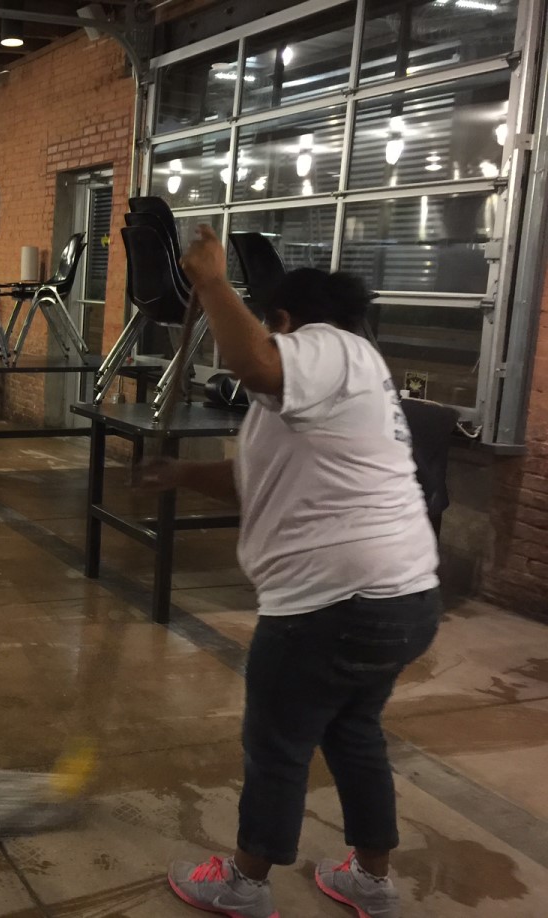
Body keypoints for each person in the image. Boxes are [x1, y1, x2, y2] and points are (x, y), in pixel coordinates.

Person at [158, 227, 442, 918]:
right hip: (401, 599)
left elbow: (255, 361)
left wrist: (211, 282)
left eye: (269, 325)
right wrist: (180, 474)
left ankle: (244, 884)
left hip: (332, 606)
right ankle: (370, 880)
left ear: (284, 320)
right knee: (353, 732)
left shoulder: (329, 347)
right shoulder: (346, 379)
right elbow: (261, 480)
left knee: (277, 744)